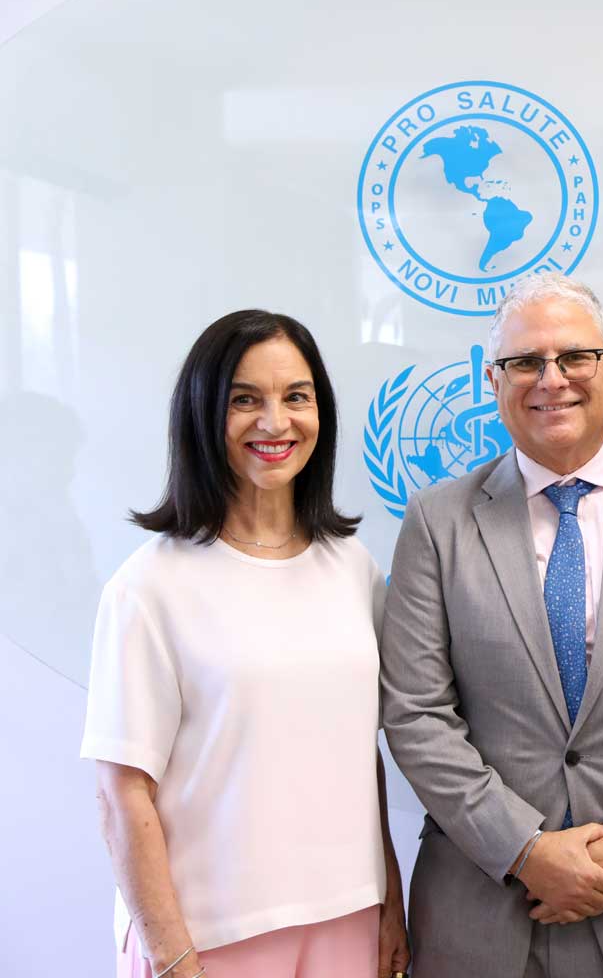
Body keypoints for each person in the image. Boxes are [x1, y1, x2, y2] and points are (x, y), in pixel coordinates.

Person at [379, 272, 603, 977]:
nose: (552, 380)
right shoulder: (437, 523)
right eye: (525, 362)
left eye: (575, 357)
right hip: (482, 916)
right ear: (495, 380)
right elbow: (417, 714)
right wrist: (526, 850)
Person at [82, 310, 410, 978]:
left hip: (347, 922)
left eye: (296, 396)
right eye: (244, 400)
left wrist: (390, 900)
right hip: (209, 941)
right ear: (203, 415)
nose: (275, 422)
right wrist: (173, 957)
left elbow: (355, 753)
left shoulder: (352, 568)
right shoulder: (148, 587)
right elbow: (122, 794)